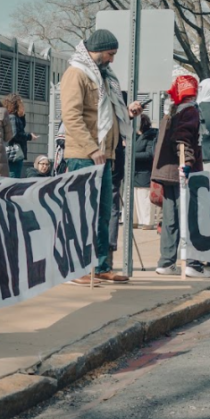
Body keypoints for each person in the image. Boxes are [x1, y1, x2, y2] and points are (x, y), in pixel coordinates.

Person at [61, 29, 142, 286]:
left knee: (103, 213)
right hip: (84, 155)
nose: (112, 59)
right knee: (82, 215)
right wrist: (91, 148)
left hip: (104, 155)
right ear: (96, 51)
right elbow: (71, 117)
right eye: (110, 53)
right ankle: (77, 268)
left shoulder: (103, 76)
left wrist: (127, 114)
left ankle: (101, 265)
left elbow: (104, 115)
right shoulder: (76, 74)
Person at [152, 75, 210, 278]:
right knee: (189, 216)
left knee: (171, 218)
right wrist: (187, 163)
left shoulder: (172, 111)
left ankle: (166, 262)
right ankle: (192, 262)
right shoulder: (191, 111)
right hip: (184, 172)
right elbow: (183, 139)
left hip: (169, 172)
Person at [134, 114, 158, 230]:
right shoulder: (134, 136)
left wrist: (130, 155)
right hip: (134, 172)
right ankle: (135, 220)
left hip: (144, 172)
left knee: (144, 198)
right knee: (135, 198)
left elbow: (149, 154)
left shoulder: (150, 137)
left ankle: (147, 222)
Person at [5, 93, 38, 178]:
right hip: (14, 154)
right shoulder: (12, 117)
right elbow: (15, 134)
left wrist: (22, 116)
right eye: (21, 103)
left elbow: (21, 127)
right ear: (16, 104)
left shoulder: (14, 117)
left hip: (14, 154)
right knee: (13, 177)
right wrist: (29, 136)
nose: (23, 105)